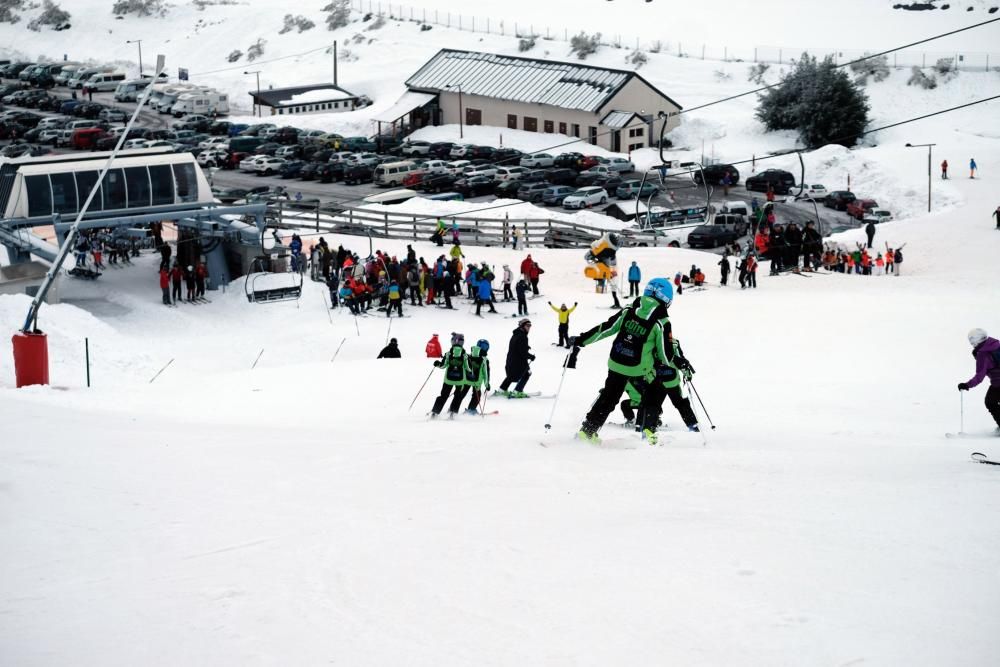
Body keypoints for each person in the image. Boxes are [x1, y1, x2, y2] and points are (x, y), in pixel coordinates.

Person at [568, 278, 674, 443]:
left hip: (616, 362)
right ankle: (649, 430)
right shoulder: (662, 322)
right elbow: (666, 357)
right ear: (667, 299)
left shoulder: (629, 310)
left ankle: (587, 431)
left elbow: (607, 328)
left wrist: (582, 340)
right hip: (639, 368)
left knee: (609, 396)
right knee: (656, 391)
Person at [636, 337, 701, 442]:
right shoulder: (673, 343)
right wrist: (687, 373)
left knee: (651, 404)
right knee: (679, 402)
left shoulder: (650, 341)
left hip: (655, 379)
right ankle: (693, 425)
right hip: (671, 380)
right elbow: (680, 360)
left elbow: (644, 360)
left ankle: (646, 429)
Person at [957, 328, 1000, 432]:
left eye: (971, 340)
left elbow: (980, 376)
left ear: (976, 340)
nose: (971, 343)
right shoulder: (996, 345)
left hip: (998, 383)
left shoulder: (983, 353)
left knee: (990, 402)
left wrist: (967, 385)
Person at [430, 333, 471, 419]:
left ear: (452, 342)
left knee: (443, 395)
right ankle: (453, 412)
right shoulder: (465, 355)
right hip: (460, 381)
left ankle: (435, 412)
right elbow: (468, 368)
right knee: (458, 396)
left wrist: (437, 364)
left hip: (448, 380)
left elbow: (443, 366)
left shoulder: (448, 354)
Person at [497, 318, 534, 398]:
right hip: (518, 362)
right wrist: (531, 356)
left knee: (511, 375)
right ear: (522, 326)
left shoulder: (516, 334)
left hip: (511, 360)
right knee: (527, 374)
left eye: (530, 326)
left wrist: (526, 347)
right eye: (527, 325)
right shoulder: (523, 336)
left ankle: (502, 390)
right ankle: (517, 391)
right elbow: (522, 352)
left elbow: (516, 347)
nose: (529, 327)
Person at [464, 339, 492, 415]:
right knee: (477, 395)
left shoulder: (469, 356)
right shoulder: (485, 360)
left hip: (466, 379)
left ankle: (453, 409)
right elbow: (486, 373)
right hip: (477, 381)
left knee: (461, 394)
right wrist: (487, 384)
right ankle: (471, 409)